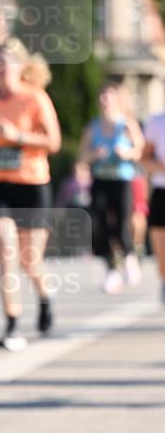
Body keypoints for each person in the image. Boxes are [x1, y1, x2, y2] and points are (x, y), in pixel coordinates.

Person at [0, 39, 61, 350]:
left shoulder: (35, 98)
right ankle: (12, 325)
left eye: (4, 63)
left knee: (30, 260)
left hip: (32, 184)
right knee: (6, 253)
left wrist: (17, 136)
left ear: (20, 67)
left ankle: (45, 295)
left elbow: (53, 142)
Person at [75, 83, 144, 293]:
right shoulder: (92, 127)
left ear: (116, 100)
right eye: (102, 96)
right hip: (101, 180)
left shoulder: (127, 124)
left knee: (122, 223)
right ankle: (112, 269)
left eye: (109, 96)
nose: (105, 100)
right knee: (100, 223)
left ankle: (129, 256)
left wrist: (127, 153)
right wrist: (94, 156)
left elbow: (140, 150)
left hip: (122, 180)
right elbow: (81, 158)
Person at [142, 108, 165, 303]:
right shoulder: (156, 121)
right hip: (161, 190)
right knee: (161, 248)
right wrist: (159, 167)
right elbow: (144, 158)